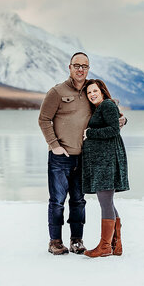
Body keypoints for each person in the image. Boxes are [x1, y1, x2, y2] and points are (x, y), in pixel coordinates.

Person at [38, 52, 125, 255]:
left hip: (84, 158)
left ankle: (77, 240)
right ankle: (55, 241)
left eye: (84, 66)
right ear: (69, 67)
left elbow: (109, 113)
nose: (80, 69)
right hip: (61, 157)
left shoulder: (90, 92)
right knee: (57, 201)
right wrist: (54, 145)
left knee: (78, 201)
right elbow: (43, 120)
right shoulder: (57, 92)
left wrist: (122, 120)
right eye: (76, 65)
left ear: (88, 69)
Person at [81, 78, 129, 258]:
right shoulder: (102, 107)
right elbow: (116, 123)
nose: (92, 94)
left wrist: (89, 133)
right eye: (89, 93)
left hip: (107, 161)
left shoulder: (107, 105)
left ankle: (105, 246)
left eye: (95, 91)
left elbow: (114, 130)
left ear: (102, 91)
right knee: (107, 201)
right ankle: (116, 245)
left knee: (105, 201)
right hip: (104, 160)